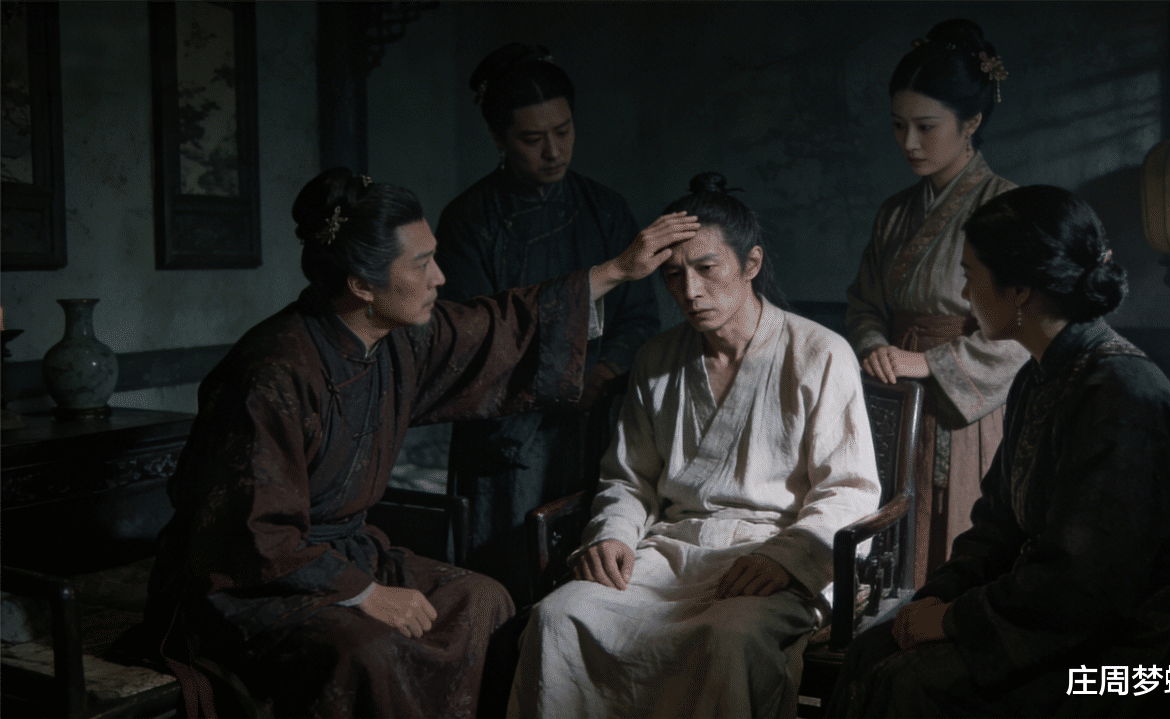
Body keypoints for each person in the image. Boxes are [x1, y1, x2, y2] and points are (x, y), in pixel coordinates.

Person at [141, 168, 698, 719]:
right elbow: (250, 532)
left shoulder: (396, 340)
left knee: (484, 601)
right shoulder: (271, 374)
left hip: (345, 556)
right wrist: (365, 594)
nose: (440, 277)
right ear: (363, 285)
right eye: (421, 263)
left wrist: (616, 271)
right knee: (370, 652)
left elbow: (496, 325)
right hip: (248, 583)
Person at [825, 186, 1170, 718]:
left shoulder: (1123, 396)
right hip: (1069, 618)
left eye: (970, 274)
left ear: (1018, 289)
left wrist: (951, 622)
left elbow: (1086, 581)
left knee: (914, 683)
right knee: (873, 650)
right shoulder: (1038, 377)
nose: (964, 292)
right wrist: (935, 599)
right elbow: (997, 525)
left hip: (1150, 653)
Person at [509, 173, 882, 719]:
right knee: (558, 617)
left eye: (707, 269)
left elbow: (848, 490)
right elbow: (629, 478)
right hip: (670, 551)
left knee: (729, 639)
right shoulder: (658, 358)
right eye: (673, 275)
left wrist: (788, 559)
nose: (690, 291)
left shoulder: (819, 353)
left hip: (769, 555)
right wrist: (613, 533)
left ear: (750, 264)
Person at [434, 43, 662, 606]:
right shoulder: (469, 221)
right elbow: (469, 337)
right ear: (498, 138)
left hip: (595, 425)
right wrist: (556, 381)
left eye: (563, 131)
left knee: (593, 578)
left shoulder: (605, 209)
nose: (553, 151)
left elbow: (639, 315)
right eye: (532, 139)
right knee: (508, 579)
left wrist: (603, 373)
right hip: (507, 436)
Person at [845, 19, 1029, 588]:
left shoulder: (1008, 208)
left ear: (971, 122)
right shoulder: (894, 212)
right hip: (889, 394)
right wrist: (875, 345)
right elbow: (864, 302)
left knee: (952, 540)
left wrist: (927, 362)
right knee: (879, 531)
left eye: (926, 127)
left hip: (961, 405)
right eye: (899, 126)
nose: (909, 143)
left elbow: (1020, 328)